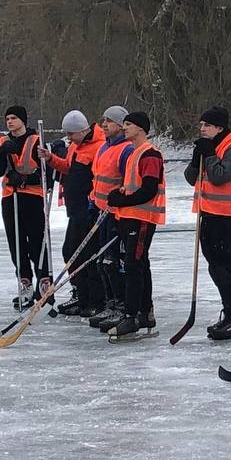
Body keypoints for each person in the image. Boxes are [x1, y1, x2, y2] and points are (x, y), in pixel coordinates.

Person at [186, 106, 231, 341]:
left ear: (219, 127)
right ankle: (229, 311)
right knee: (215, 266)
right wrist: (197, 158)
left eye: (207, 125)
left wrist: (210, 154)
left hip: (228, 216)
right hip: (209, 214)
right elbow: (190, 177)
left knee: (225, 267)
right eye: (201, 125)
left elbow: (220, 175)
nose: (202, 129)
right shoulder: (210, 145)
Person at [105, 111, 165, 341]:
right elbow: (134, 185)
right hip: (129, 217)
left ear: (141, 128)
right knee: (138, 264)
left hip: (142, 219)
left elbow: (149, 189)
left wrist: (125, 200)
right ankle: (144, 312)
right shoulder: (134, 153)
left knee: (133, 266)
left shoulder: (150, 154)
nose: (125, 127)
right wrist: (121, 193)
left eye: (129, 124)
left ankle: (131, 315)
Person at [42, 109, 106, 317]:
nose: (68, 138)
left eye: (71, 134)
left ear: (82, 130)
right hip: (75, 209)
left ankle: (96, 299)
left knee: (87, 255)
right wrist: (51, 159)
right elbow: (68, 168)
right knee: (70, 252)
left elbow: (100, 176)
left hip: (89, 209)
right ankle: (80, 293)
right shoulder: (75, 146)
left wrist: (93, 201)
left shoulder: (99, 146)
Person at [0, 105, 52, 308]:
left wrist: (24, 179)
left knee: (37, 242)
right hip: (10, 198)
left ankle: (43, 284)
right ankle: (24, 283)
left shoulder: (36, 140)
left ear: (23, 120)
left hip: (32, 197)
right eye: (8, 118)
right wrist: (1, 153)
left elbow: (46, 174)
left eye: (14, 118)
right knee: (16, 243)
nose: (10, 122)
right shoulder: (3, 141)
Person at [88, 106, 132, 331]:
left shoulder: (126, 149)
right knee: (102, 261)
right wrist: (93, 201)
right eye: (103, 120)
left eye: (110, 121)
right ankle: (111, 302)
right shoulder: (104, 147)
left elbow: (128, 182)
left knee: (114, 262)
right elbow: (99, 178)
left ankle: (123, 306)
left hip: (118, 215)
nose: (104, 124)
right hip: (102, 212)